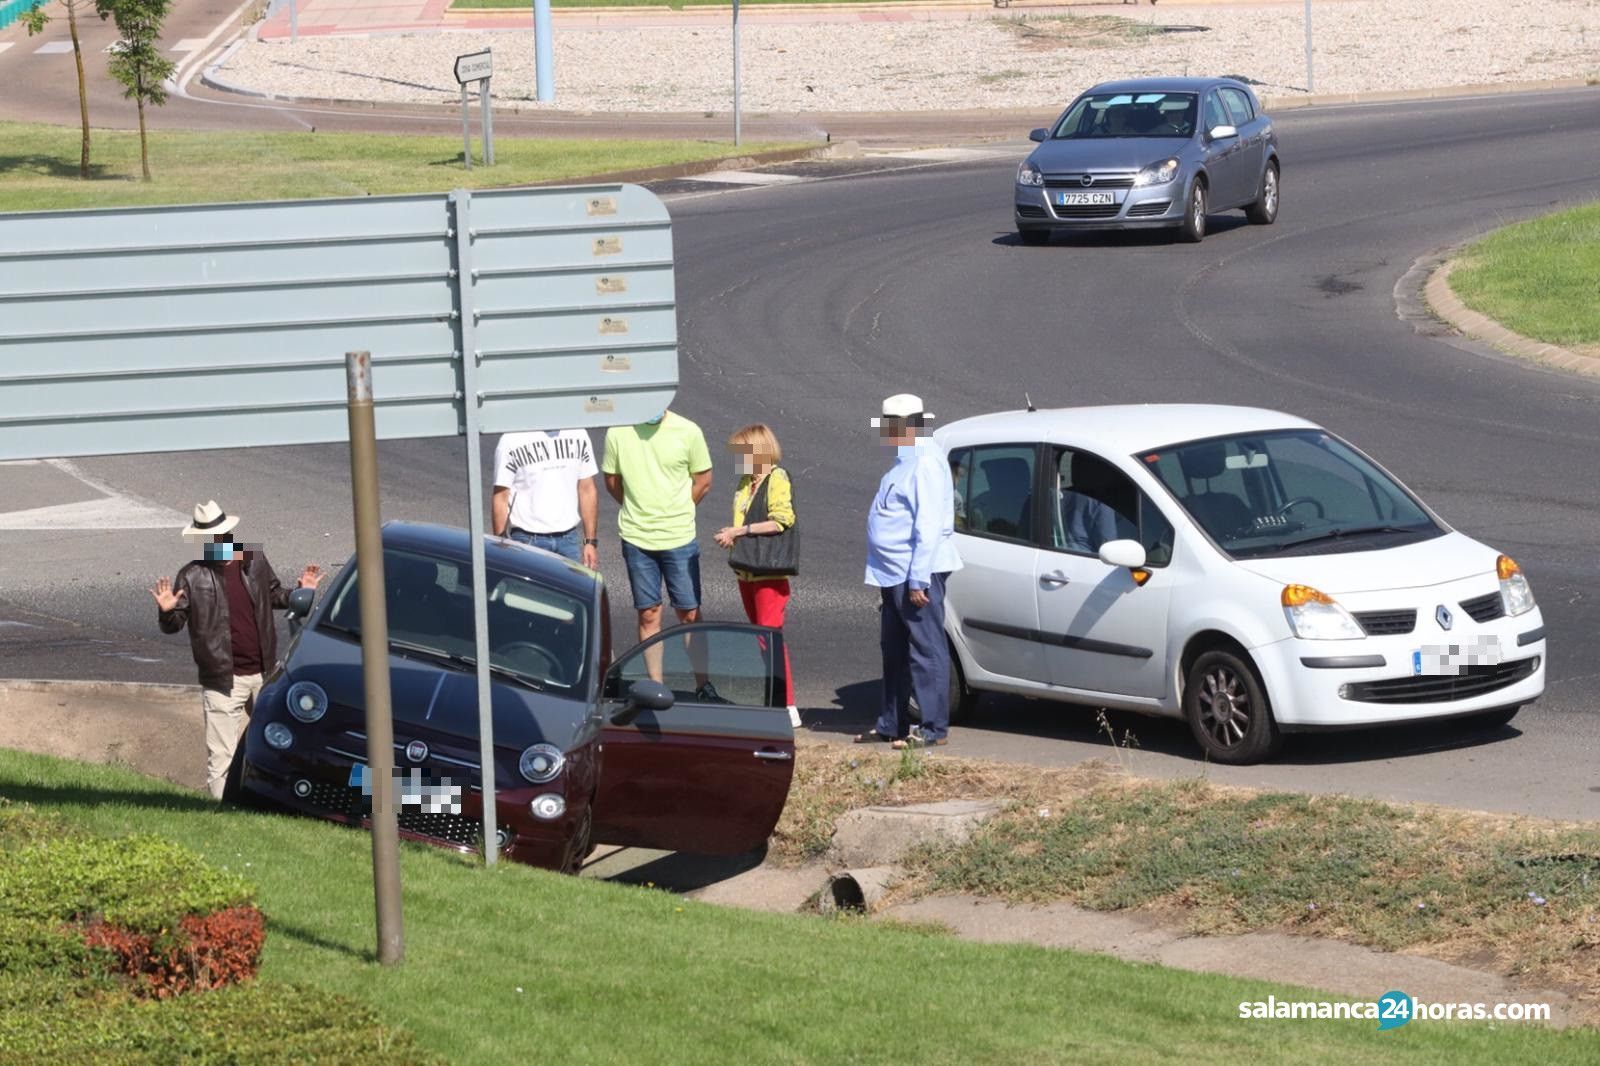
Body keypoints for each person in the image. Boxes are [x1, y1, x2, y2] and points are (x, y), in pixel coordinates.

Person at [150, 501, 322, 800]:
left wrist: (300, 594)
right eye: (212, 537)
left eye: (223, 534)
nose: (220, 541)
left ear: (230, 532)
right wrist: (166, 611)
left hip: (265, 674)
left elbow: (274, 595)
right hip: (222, 680)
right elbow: (174, 624)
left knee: (282, 743)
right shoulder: (191, 575)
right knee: (221, 759)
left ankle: (280, 803)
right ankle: (222, 815)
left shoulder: (253, 558)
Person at [857, 394, 963, 749]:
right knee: (895, 648)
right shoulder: (907, 458)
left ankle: (933, 728)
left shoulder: (926, 462)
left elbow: (928, 525)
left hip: (915, 574)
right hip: (893, 572)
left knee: (925, 648)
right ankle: (892, 723)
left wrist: (918, 578)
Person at [601, 408, 716, 694]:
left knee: (689, 613)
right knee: (649, 613)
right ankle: (656, 687)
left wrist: (677, 509)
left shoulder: (688, 430)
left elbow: (703, 480)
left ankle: (704, 685)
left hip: (679, 537)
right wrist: (639, 508)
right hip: (637, 537)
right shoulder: (617, 432)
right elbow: (612, 482)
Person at [714, 424, 801, 728]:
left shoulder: (776, 477)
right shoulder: (744, 482)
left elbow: (782, 521)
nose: (737, 458)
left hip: (768, 571)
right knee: (760, 639)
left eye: (742, 452)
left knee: (770, 638)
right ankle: (774, 700)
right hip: (747, 570)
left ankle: (786, 705)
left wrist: (739, 531)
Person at [492, 428, 600, 569]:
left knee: (571, 591)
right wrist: (500, 545)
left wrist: (590, 542)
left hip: (569, 540)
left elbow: (587, 489)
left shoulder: (578, 433)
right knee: (528, 591)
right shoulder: (512, 438)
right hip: (527, 541)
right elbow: (501, 495)